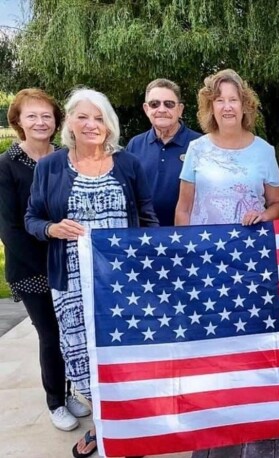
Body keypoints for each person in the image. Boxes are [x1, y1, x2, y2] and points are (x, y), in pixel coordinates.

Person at [24, 87, 158, 458]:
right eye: (82, 116)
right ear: (69, 121)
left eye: (99, 118)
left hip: (122, 282)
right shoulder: (51, 166)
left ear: (110, 125)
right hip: (71, 281)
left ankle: (128, 427)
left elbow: (147, 218)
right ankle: (102, 427)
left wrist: (142, 258)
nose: (91, 124)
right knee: (81, 354)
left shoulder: (128, 164)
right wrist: (52, 229)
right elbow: (32, 218)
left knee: (124, 355)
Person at [0, 88, 92, 432]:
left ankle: (70, 392)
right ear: (19, 121)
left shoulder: (66, 158)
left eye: (46, 115)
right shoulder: (7, 165)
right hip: (34, 269)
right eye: (31, 116)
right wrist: (47, 262)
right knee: (51, 335)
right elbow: (10, 227)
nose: (40, 122)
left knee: (74, 333)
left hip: (73, 262)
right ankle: (55, 401)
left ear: (56, 121)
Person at [174, 69, 279, 226]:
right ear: (211, 108)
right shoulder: (196, 149)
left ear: (244, 106)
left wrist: (264, 215)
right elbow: (183, 209)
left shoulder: (264, 151)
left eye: (233, 100)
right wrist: (185, 246)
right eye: (219, 100)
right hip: (205, 247)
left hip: (249, 245)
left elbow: (278, 203)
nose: (227, 107)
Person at [125, 78, 202, 226]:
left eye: (169, 104)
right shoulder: (135, 145)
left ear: (180, 110)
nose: (161, 110)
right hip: (144, 236)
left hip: (188, 236)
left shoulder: (200, 145)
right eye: (154, 104)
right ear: (146, 109)